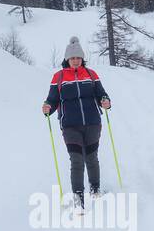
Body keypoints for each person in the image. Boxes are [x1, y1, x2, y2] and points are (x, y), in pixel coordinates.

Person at [41, 36, 111, 208]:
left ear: (82, 59)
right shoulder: (58, 77)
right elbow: (52, 99)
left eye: (78, 58)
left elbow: (101, 93)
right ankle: (78, 196)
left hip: (93, 122)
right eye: (72, 58)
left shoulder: (91, 74)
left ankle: (95, 189)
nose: (75, 61)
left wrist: (105, 100)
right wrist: (48, 107)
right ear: (67, 59)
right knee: (77, 159)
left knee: (91, 157)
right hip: (70, 125)